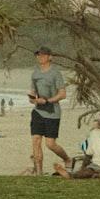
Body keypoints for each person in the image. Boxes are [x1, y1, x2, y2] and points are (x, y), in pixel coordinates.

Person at [28, 45, 72, 174]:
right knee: (36, 140)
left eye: (42, 55)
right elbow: (33, 90)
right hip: (38, 111)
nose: (40, 57)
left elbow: (63, 94)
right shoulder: (35, 73)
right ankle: (39, 172)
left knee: (50, 144)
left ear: (49, 57)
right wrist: (32, 98)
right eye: (38, 55)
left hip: (52, 112)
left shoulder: (55, 73)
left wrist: (47, 100)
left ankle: (67, 159)